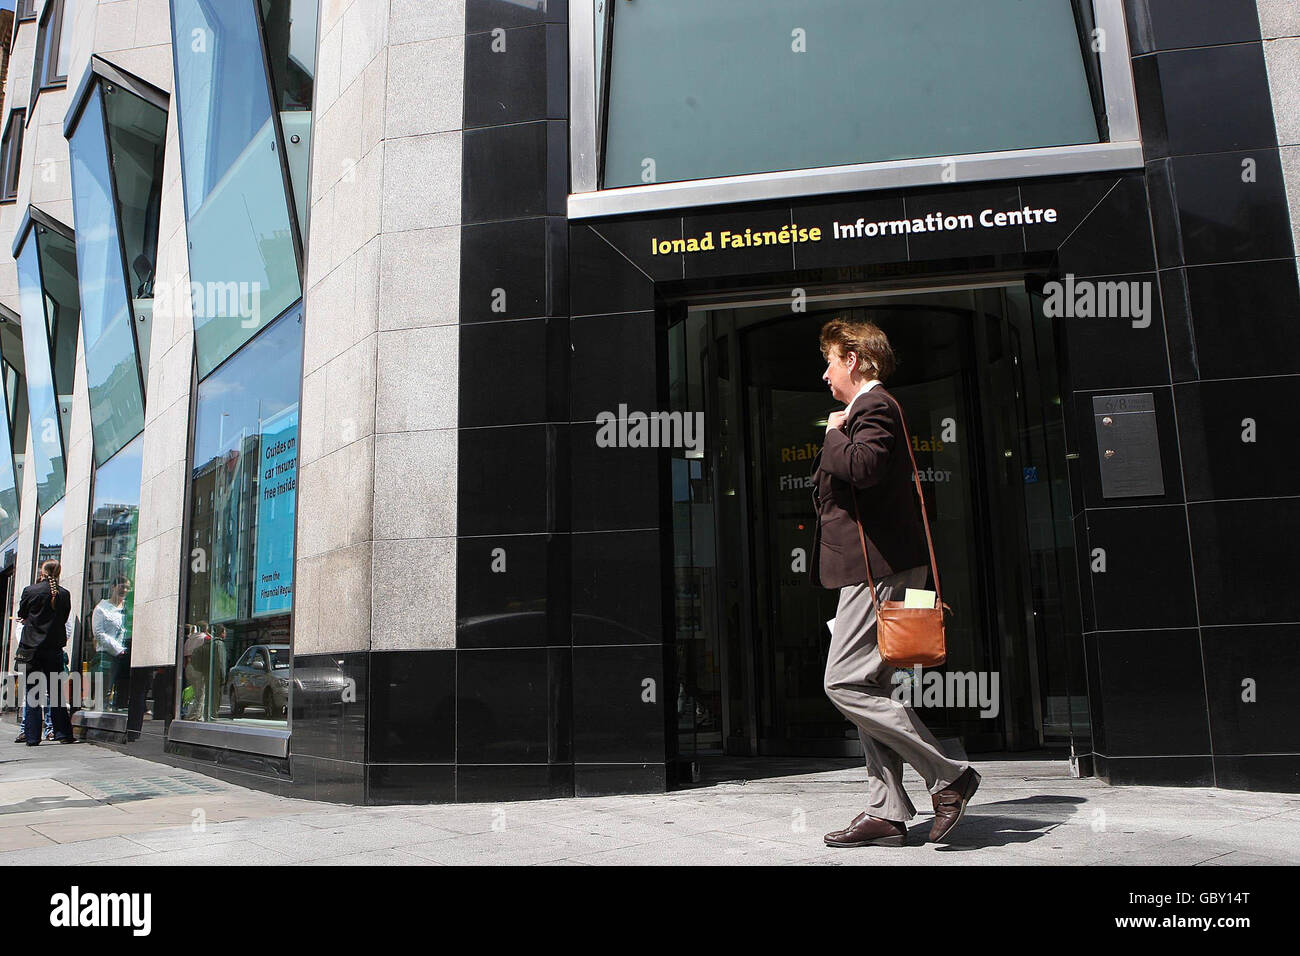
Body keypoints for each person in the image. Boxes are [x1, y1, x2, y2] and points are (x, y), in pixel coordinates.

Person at [811, 318, 980, 847]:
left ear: (855, 360)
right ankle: (886, 813)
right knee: (869, 686)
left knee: (841, 682)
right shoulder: (865, 410)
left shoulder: (873, 407)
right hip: (868, 566)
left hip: (876, 568)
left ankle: (949, 775)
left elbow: (862, 467)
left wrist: (833, 432)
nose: (825, 373)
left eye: (831, 361)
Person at [15, 560, 75, 745]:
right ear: (59, 572)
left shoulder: (30, 591)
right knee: (56, 694)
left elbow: (22, 613)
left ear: (42, 571)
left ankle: (32, 737)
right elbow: (63, 619)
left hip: (31, 650)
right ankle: (62, 734)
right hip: (54, 649)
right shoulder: (64, 594)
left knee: (33, 693)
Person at [91, 576, 131, 710]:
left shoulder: (128, 609)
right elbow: (98, 633)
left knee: (123, 693)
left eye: (127, 587)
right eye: (121, 586)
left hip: (126, 657)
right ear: (113, 587)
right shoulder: (102, 608)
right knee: (103, 693)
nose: (124, 590)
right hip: (107, 655)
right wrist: (118, 649)